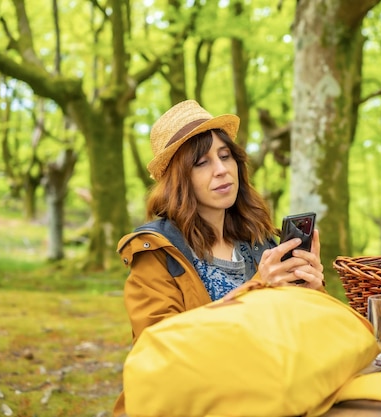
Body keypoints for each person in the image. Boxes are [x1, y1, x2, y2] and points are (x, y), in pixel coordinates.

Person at [113, 100, 325, 416]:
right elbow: (161, 353)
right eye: (202, 163)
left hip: (269, 393)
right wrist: (256, 287)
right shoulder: (155, 251)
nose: (222, 169)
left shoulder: (260, 240)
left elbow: (298, 336)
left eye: (225, 156)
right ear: (179, 178)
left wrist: (311, 293)